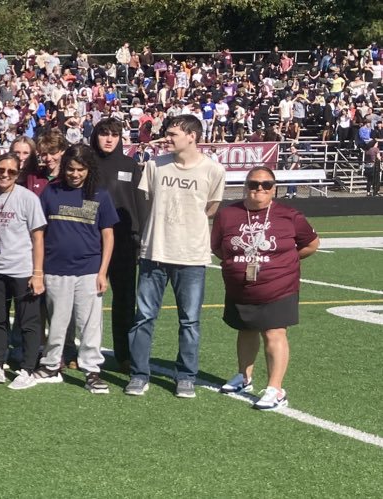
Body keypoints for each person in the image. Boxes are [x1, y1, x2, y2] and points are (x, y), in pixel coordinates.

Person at [128, 115, 226, 398]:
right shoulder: (154, 165)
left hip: (191, 256)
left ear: (192, 136)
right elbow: (146, 203)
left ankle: (186, 376)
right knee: (144, 317)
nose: (166, 138)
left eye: (172, 134)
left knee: (190, 320)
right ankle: (138, 374)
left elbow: (211, 208)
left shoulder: (213, 170)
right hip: (154, 252)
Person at [213, 167, 320, 410]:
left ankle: (276, 388)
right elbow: (219, 247)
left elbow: (311, 244)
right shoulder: (227, 215)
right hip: (241, 287)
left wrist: (283, 263)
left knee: (274, 333)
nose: (259, 189)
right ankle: (244, 376)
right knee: (246, 329)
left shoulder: (289, 215)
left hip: (279, 285)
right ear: (245, 186)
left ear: (274, 188)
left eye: (266, 184)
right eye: (253, 184)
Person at [13, 145, 118, 392]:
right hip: (55, 269)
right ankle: (51, 365)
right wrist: (38, 269)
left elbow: (108, 236)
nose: (75, 174)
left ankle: (91, 370)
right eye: (70, 169)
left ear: (88, 170)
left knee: (89, 323)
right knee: (57, 322)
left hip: (89, 270)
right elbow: (38, 231)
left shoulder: (100, 195)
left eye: (80, 169)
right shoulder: (51, 191)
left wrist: (103, 272)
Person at [0, 154, 46, 386]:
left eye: (11, 172)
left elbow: (38, 238)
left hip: (22, 269)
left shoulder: (28, 198)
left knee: (28, 321)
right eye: (1, 170)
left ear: (18, 174)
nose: (5, 175)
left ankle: (27, 368)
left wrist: (38, 273)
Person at [93, 118, 145, 371]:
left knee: (124, 299)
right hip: (91, 241)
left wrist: (140, 235)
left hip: (124, 241)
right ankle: (84, 352)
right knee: (89, 299)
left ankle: (124, 354)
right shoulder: (86, 162)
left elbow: (140, 202)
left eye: (114, 134)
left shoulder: (130, 165)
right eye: (104, 134)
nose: (109, 139)